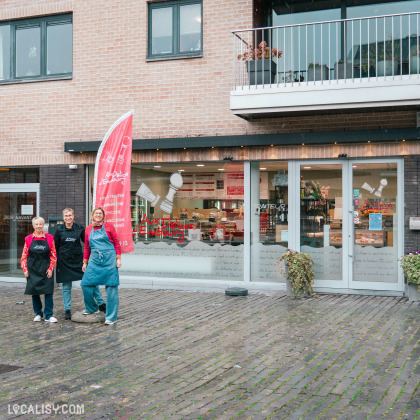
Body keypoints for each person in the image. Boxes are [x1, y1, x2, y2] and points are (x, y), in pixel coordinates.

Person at [54, 208, 105, 320]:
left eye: (70, 215)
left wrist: (89, 258)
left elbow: (87, 243)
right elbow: (55, 247)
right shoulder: (59, 230)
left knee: (90, 281)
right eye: (66, 216)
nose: (68, 218)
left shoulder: (79, 228)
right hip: (64, 261)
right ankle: (67, 309)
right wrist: (56, 260)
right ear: (63, 217)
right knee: (66, 287)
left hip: (78, 260)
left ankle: (101, 303)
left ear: (73, 216)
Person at [81, 207, 121, 325]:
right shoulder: (88, 229)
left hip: (109, 259)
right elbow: (87, 247)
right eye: (96, 213)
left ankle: (111, 317)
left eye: (100, 213)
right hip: (94, 260)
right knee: (85, 284)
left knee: (111, 287)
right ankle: (92, 308)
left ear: (103, 216)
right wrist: (85, 263)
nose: (98, 215)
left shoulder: (109, 226)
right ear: (92, 215)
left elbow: (116, 243)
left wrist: (118, 259)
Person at [21, 217, 58, 322]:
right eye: (36, 224)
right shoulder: (28, 239)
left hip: (46, 268)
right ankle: (38, 313)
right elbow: (24, 256)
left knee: (48, 292)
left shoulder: (50, 238)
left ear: (43, 225)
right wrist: (25, 270)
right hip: (32, 269)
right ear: (33, 226)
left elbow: (53, 255)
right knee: (35, 292)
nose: (38, 226)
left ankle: (48, 315)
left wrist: (51, 268)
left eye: (40, 224)